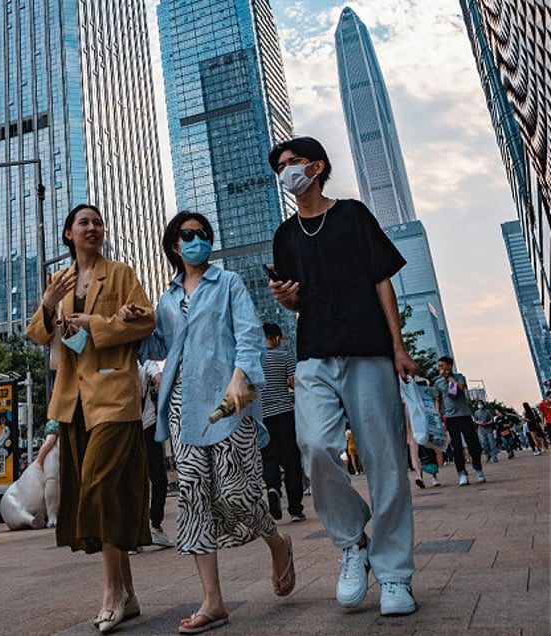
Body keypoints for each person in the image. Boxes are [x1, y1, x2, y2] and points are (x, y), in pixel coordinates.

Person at [268, 136, 417, 616]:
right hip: (313, 352)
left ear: (317, 167)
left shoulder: (353, 215)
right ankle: (353, 542)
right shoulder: (284, 235)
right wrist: (286, 299)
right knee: (313, 446)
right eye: (281, 166)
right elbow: (296, 302)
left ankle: (394, 575)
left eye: (294, 162)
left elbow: (381, 279)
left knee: (385, 461)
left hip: (369, 350)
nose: (287, 170)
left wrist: (398, 346)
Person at [132, 211, 295, 634]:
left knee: (239, 492)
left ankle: (278, 544)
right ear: (174, 245)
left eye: (203, 234)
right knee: (194, 500)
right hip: (184, 407)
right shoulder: (166, 300)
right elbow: (155, 347)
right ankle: (214, 601)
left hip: (227, 401)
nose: (197, 240)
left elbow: (248, 335)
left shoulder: (228, 283)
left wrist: (242, 378)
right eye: (188, 235)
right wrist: (135, 325)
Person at [26, 203, 155, 634]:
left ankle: (111, 592)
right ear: (68, 234)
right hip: (74, 401)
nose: (93, 227)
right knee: (102, 492)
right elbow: (37, 335)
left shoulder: (120, 274)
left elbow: (146, 321)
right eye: (84, 222)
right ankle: (130, 594)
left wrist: (96, 322)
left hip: (114, 394)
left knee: (99, 485)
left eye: (98, 222)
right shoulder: (59, 282)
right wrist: (47, 302)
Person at [258, 322, 305, 523]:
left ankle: (273, 488)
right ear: (276, 338)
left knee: (269, 458)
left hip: (262, 417)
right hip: (285, 414)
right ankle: (295, 508)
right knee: (291, 460)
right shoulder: (284, 355)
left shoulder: (255, 359)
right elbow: (294, 383)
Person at [431, 356, 486, 486]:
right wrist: (438, 414)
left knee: (473, 445)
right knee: (456, 447)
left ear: (450, 366)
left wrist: (451, 379)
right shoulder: (438, 383)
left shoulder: (459, 377)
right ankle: (462, 473)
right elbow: (438, 399)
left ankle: (478, 470)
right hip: (450, 418)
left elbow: (461, 389)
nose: (441, 369)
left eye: (443, 366)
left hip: (464, 415)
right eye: (439, 366)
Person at [139, 359, 175, 547]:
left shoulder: (114, 360)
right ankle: (155, 526)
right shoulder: (145, 363)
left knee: (133, 481)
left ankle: (134, 535)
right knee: (159, 478)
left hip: (124, 429)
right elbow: (160, 378)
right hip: (147, 427)